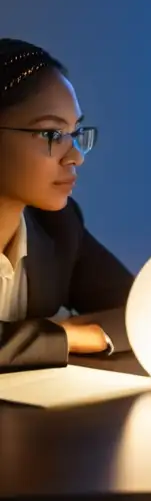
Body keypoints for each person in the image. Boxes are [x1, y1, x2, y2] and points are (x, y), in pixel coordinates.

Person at [0, 39, 134, 369]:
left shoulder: (56, 226)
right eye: (51, 134)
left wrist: (81, 333)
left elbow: (142, 309)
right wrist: (59, 337)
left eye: (75, 133)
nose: (75, 156)